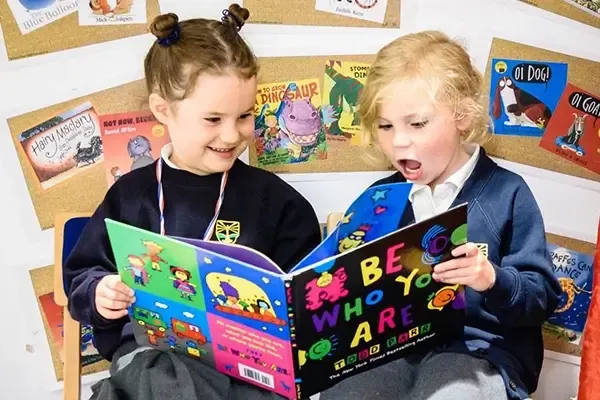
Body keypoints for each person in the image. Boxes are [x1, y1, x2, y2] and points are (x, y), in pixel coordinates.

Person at [63, 5, 322, 400]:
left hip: (248, 372)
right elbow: (82, 276)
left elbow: (306, 297)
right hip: (150, 359)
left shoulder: (278, 202)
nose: (233, 134)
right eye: (213, 119)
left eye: (245, 115)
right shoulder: (131, 196)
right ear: (163, 110)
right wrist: (101, 293)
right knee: (158, 380)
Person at [319, 31, 561, 400]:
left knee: (450, 393)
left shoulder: (507, 194)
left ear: (462, 117)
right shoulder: (378, 199)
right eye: (386, 126)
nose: (399, 141)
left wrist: (491, 278)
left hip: (481, 353)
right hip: (391, 350)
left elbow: (540, 300)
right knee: (346, 392)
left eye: (416, 124)